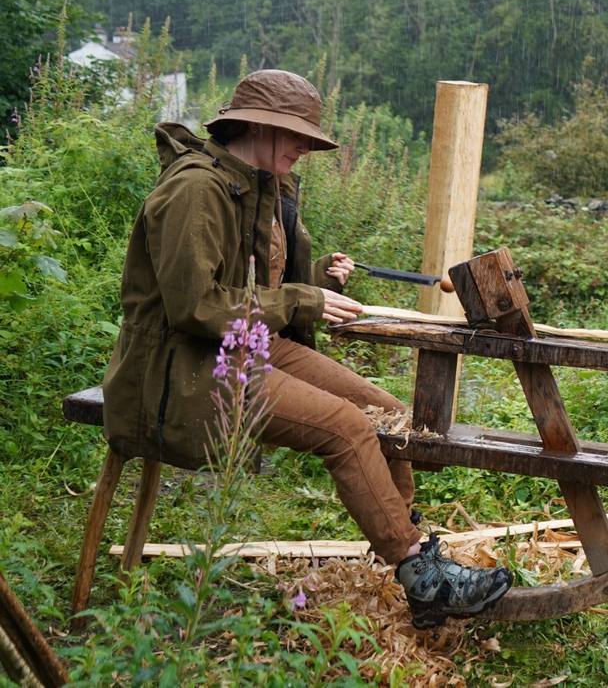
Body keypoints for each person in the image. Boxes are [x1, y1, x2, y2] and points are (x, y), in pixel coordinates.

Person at [102, 69, 510, 625]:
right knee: (346, 427)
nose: (305, 147)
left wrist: (317, 280)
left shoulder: (257, 185)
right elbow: (195, 307)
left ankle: (404, 541)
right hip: (186, 367)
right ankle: (423, 577)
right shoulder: (196, 190)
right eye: (295, 135)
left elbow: (255, 289)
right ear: (256, 127)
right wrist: (300, 300)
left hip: (247, 344)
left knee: (387, 414)